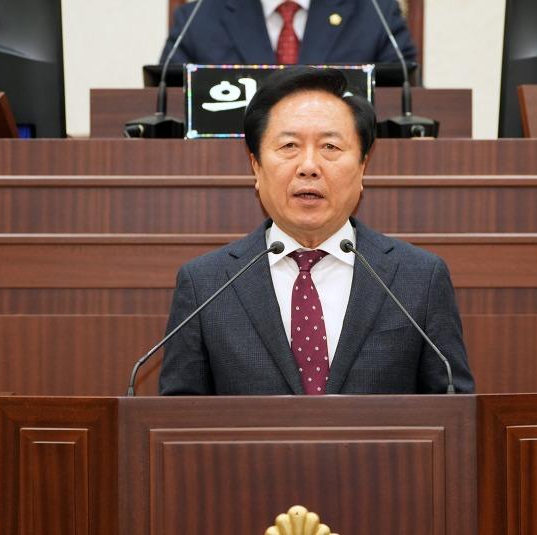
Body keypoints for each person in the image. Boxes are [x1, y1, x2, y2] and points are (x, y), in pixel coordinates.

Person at [159, 67, 473, 395]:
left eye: (330, 147)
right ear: (256, 167)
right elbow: (177, 417)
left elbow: (454, 410)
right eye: (289, 145)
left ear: (363, 167)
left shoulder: (419, 278)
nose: (309, 166)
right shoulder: (205, 285)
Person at [159, 0, 417, 65]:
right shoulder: (199, 17)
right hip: (225, 167)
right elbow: (167, 102)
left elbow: (406, 98)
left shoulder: (375, 12)